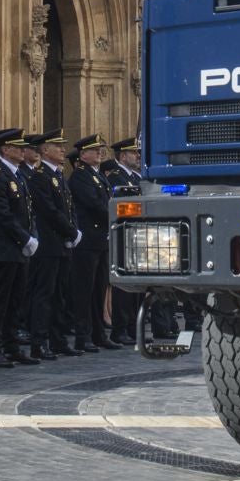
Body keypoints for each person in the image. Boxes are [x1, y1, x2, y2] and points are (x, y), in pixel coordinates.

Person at [0, 127, 38, 368]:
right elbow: (1, 214)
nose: (23, 151)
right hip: (2, 249)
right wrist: (25, 238)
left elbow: (27, 212)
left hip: (18, 249)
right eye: (18, 147)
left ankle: (11, 346)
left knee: (16, 300)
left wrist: (31, 236)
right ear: (5, 149)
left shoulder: (16, 174)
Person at [25, 130, 80, 359]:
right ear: (45, 150)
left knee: (60, 295)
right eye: (57, 146)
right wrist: (70, 231)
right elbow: (49, 210)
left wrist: (74, 231)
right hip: (48, 245)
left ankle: (58, 339)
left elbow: (69, 208)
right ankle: (39, 341)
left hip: (62, 244)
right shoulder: (40, 176)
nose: (62, 150)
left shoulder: (58, 175)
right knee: (44, 295)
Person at [69, 134, 117, 350]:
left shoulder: (98, 176)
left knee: (99, 289)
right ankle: (83, 335)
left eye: (100, 149)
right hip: (88, 241)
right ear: (83, 154)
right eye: (94, 150)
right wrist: (115, 217)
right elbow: (94, 204)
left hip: (101, 240)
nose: (99, 153)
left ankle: (99, 333)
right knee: (84, 290)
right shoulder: (80, 177)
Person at [104, 137, 145, 343]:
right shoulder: (117, 178)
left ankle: (132, 328)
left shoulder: (137, 178)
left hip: (136, 237)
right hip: (123, 236)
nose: (137, 156)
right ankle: (120, 329)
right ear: (122, 156)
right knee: (124, 290)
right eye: (132, 153)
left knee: (136, 288)